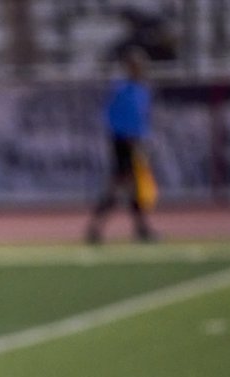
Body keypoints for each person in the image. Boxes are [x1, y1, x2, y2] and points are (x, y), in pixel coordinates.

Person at [86, 47, 156, 245]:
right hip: (122, 144)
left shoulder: (143, 90)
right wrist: (123, 137)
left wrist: (142, 140)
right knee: (118, 188)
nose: (139, 69)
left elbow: (142, 119)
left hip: (136, 144)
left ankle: (139, 228)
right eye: (135, 65)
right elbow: (111, 116)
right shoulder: (120, 89)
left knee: (133, 188)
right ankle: (96, 229)